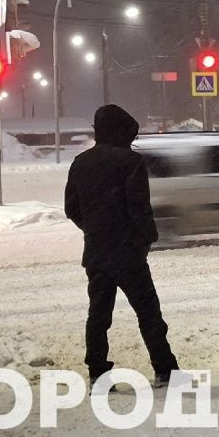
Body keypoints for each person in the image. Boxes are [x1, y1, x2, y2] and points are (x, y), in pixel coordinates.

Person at [65, 104, 180, 389]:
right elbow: (139, 208)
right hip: (128, 253)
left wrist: (94, 229)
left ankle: (98, 374)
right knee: (149, 313)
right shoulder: (131, 163)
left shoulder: (80, 162)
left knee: (98, 316)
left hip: (96, 253)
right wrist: (147, 237)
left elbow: (71, 208)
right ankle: (165, 370)